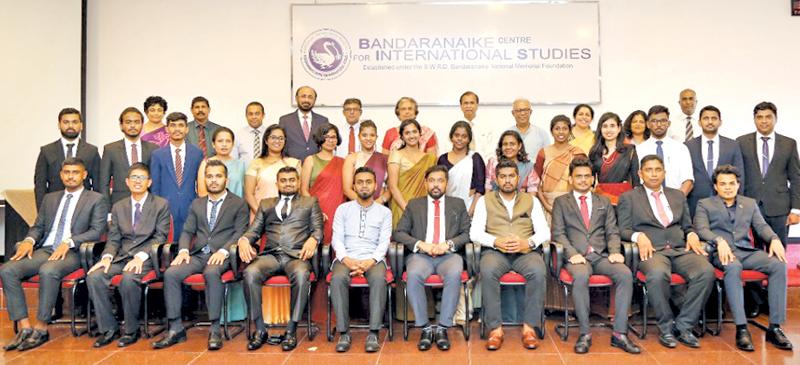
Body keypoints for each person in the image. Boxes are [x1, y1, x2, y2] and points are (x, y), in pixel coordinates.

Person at [1, 158, 108, 352]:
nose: (70, 176)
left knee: (48, 270)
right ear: (61, 175)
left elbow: (96, 230)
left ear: (84, 175)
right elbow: (38, 226)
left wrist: (69, 242)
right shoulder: (50, 198)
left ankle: (41, 328)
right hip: (46, 249)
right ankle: (25, 328)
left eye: (75, 172)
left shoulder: (96, 199)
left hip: (75, 252)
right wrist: (29, 241)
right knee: (8, 269)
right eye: (67, 172)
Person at [617, 155, 715, 349]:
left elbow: (687, 225)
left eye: (658, 170)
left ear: (664, 173)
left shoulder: (677, 195)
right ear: (640, 173)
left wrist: (692, 234)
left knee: (706, 271)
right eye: (649, 170)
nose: (653, 174)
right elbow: (623, 229)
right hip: (652, 251)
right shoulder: (629, 197)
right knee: (657, 274)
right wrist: (638, 236)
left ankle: (684, 325)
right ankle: (666, 327)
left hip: (679, 249)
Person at [153, 160, 249, 350]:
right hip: (198, 254)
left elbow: (240, 232)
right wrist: (183, 251)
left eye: (218, 176)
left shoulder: (239, 203)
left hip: (224, 255)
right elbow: (187, 231)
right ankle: (175, 328)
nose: (213, 180)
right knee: (172, 273)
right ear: (204, 179)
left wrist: (223, 251)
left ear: (226, 180)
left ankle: (215, 329)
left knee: (211, 272)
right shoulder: (197, 204)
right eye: (210, 176)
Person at [694, 165, 792, 351]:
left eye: (732, 183)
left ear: (738, 184)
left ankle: (775, 327)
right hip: (721, 253)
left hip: (746, 251)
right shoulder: (704, 204)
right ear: (716, 186)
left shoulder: (749, 203)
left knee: (779, 264)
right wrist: (718, 240)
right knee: (733, 267)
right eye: (723, 184)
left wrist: (774, 239)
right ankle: (742, 328)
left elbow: (761, 226)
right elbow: (701, 229)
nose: (728, 187)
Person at [550, 157, 640, 354]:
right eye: (578, 176)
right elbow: (558, 234)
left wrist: (615, 251)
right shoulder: (561, 202)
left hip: (601, 256)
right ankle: (584, 334)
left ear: (593, 179)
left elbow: (612, 231)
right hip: (576, 257)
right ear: (571, 179)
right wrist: (572, 254)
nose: (583, 180)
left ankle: (619, 334)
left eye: (587, 176)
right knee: (581, 275)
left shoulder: (603, 201)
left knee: (624, 273)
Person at [236, 166, 323, 351]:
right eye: (283, 180)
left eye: (292, 180)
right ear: (277, 183)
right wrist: (244, 240)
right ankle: (260, 330)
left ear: (298, 182)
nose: (288, 183)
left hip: (297, 256)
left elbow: (318, 228)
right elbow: (254, 231)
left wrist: (313, 239)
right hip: (271, 256)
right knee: (250, 273)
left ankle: (291, 330)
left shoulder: (310, 202)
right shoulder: (266, 204)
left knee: (301, 275)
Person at [87, 163, 171, 348]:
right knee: (94, 276)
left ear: (149, 182)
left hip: (147, 258)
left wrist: (140, 257)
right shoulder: (118, 206)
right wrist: (107, 257)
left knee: (128, 277)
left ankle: (131, 330)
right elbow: (114, 239)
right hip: (122, 256)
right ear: (126, 182)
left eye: (142, 178)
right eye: (134, 177)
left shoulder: (160, 204)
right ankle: (109, 328)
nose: (137, 181)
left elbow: (160, 237)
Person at [470, 159, 550, 351]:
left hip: (525, 252)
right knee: (488, 271)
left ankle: (529, 328)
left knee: (538, 271)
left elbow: (544, 232)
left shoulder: (532, 201)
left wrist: (527, 243)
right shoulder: (484, 201)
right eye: (503, 176)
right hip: (496, 252)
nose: (507, 180)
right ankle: (495, 329)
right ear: (496, 179)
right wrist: (495, 241)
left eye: (511, 176)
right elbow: (475, 232)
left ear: (518, 178)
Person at [393, 165, 471, 351]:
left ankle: (443, 328)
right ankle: (426, 328)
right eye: (432, 180)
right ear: (426, 183)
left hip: (449, 255)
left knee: (454, 274)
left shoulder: (458, 204)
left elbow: (467, 233)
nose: (436, 185)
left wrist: (449, 244)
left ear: (446, 183)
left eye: (440, 180)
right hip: (421, 255)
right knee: (413, 275)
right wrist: (421, 244)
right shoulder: (414, 204)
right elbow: (399, 233)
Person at [329, 167, 392, 353]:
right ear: (354, 186)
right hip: (346, 257)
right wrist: (347, 260)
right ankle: (344, 333)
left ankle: (373, 332)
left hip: (373, 259)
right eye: (360, 182)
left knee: (379, 279)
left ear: (376, 186)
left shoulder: (384, 212)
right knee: (338, 278)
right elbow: (336, 239)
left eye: (368, 182)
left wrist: (370, 261)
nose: (364, 185)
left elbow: (384, 242)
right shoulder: (343, 209)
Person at [736, 101, 800, 248]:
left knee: (778, 250)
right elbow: (738, 176)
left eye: (768, 117)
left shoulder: (789, 143)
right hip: (751, 204)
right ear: (754, 119)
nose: (764, 121)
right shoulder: (742, 142)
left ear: (775, 119)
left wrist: (796, 209)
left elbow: (796, 178)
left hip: (780, 207)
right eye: (759, 117)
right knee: (755, 253)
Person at [34, 107, 101, 209]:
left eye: (74, 122)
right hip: (54, 205)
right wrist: (42, 210)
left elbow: (98, 184)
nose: (70, 126)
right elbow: (40, 185)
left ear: (81, 125)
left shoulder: (91, 151)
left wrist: (96, 209)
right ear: (59, 125)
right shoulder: (47, 151)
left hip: (83, 207)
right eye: (66, 122)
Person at [150, 112, 204, 238]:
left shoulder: (197, 153)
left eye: (181, 125)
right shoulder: (157, 155)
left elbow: (200, 183)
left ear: (187, 129)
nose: (177, 129)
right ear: (167, 129)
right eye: (173, 125)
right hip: (166, 209)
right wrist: (156, 209)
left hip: (190, 207)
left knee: (188, 246)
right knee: (166, 248)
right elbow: (155, 186)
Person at [685, 105, 745, 216]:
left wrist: (738, 203)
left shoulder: (732, 145)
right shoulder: (688, 146)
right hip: (695, 203)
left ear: (720, 122)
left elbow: (739, 175)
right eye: (706, 118)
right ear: (699, 122)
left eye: (714, 118)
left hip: (726, 203)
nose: (710, 122)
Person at [99, 107, 158, 204]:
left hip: (147, 203)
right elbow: (103, 183)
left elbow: (156, 180)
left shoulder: (153, 149)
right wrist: (107, 209)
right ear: (121, 126)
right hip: (118, 202)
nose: (133, 126)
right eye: (128, 122)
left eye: (136, 122)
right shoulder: (110, 149)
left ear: (142, 125)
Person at [534, 115, 587, 222]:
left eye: (565, 128)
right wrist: (547, 206)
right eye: (557, 128)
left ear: (570, 131)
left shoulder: (577, 153)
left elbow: (583, 181)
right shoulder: (543, 152)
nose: (561, 132)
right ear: (551, 131)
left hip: (572, 205)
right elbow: (535, 183)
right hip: (547, 204)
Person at [387, 119, 438, 228]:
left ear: (420, 134)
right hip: (402, 207)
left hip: (424, 208)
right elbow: (393, 187)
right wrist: (408, 210)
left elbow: (432, 186)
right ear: (402, 137)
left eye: (414, 132)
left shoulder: (429, 158)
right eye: (407, 133)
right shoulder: (396, 155)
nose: (411, 136)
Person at [300, 123, 345, 244]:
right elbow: (303, 189)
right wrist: (316, 210)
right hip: (316, 209)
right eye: (327, 136)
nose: (330, 140)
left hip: (338, 210)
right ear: (320, 138)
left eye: (334, 137)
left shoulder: (343, 162)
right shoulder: (310, 160)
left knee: (336, 244)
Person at [244, 124, 302, 215]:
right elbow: (249, 194)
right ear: (266, 140)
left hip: (289, 217)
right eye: (273, 137)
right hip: (260, 215)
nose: (277, 141)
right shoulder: (255, 163)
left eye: (281, 138)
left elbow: (300, 193)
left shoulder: (293, 163)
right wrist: (261, 216)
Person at [636, 105, 694, 195]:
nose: (659, 125)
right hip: (646, 202)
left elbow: (688, 180)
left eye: (663, 121)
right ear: (648, 124)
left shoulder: (681, 148)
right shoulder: (639, 150)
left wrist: (677, 200)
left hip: (676, 200)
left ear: (669, 123)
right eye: (654, 121)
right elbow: (637, 181)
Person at [588, 112, 640, 205]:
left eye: (612, 126)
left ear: (619, 128)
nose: (609, 130)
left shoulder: (629, 150)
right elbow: (590, 180)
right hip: (602, 199)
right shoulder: (594, 152)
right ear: (600, 129)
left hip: (625, 199)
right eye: (605, 126)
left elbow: (636, 181)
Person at [437, 121, 486, 215]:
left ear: (469, 139)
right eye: (457, 135)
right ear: (451, 137)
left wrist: (472, 210)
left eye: (464, 136)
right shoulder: (442, 159)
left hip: (469, 205)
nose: (460, 139)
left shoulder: (475, 158)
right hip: (448, 207)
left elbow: (480, 189)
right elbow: (440, 185)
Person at [342, 120, 390, 203]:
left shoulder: (385, 159)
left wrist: (379, 202)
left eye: (372, 135)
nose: (368, 138)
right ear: (359, 136)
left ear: (376, 137)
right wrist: (365, 204)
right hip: (356, 206)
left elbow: (391, 188)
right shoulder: (351, 158)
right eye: (364, 135)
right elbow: (347, 189)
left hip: (380, 206)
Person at [279, 86, 330, 161]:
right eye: (303, 96)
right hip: (292, 167)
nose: (306, 100)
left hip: (316, 167)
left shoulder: (323, 121)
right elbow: (281, 144)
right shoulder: (285, 120)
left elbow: (326, 145)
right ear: (296, 98)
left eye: (310, 97)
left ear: (314, 100)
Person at [485, 130, 539, 195]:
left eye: (512, 144)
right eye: (505, 144)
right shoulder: (493, 163)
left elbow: (532, 190)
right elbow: (488, 186)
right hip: (495, 202)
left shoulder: (528, 167)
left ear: (519, 146)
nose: (508, 147)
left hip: (521, 203)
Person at [198, 127, 246, 197]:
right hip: (213, 206)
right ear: (213, 144)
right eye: (220, 141)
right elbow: (202, 193)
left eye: (228, 141)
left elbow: (245, 192)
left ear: (233, 144)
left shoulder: (241, 165)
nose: (224, 144)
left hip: (237, 206)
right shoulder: (206, 163)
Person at [459, 91, 494, 158]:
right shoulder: (454, 128)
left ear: (477, 105)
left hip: (483, 165)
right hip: (460, 165)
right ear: (461, 106)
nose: (469, 106)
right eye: (466, 103)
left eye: (472, 103)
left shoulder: (487, 127)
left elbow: (490, 150)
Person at [232, 101, 268, 166]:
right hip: (245, 174)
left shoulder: (269, 134)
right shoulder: (238, 135)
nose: (254, 117)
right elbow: (234, 159)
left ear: (263, 115)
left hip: (265, 173)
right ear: (246, 116)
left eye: (257, 114)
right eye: (250, 114)